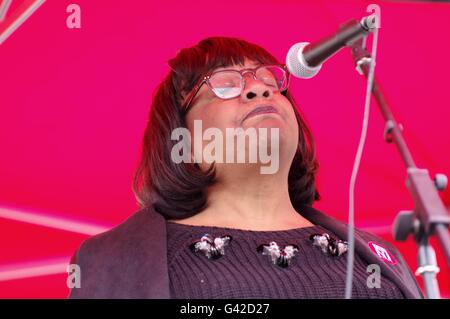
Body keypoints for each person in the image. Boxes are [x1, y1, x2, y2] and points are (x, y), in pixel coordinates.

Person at [69, 37, 423, 299]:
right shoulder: (117, 263)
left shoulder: (381, 259)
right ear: (181, 137)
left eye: (269, 80)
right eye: (224, 84)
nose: (258, 89)